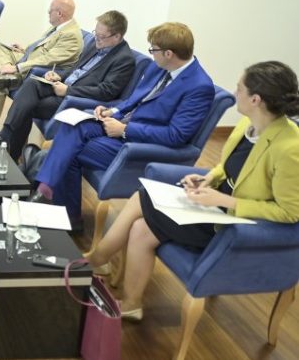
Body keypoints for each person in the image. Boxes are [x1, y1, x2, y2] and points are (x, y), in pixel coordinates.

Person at [86, 61, 299, 320]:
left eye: (239, 88)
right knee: (141, 228)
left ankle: (97, 259)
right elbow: (229, 166)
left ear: (256, 99)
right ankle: (130, 302)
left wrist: (226, 201)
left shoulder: (290, 147)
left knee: (142, 199)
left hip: (233, 223)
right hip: (216, 203)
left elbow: (290, 212)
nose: (235, 93)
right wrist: (208, 178)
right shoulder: (248, 123)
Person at [30, 22, 215, 230]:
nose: (151, 54)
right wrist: (112, 111)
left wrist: (125, 130)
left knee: (68, 150)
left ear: (169, 53)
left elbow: (176, 135)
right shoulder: (159, 67)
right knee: (72, 125)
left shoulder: (199, 87)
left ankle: (53, 201)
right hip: (121, 125)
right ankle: (53, 199)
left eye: (153, 50)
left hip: (140, 145)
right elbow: (134, 100)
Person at [0, 10, 135, 158]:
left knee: (27, 105)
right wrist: (58, 76)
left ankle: (7, 145)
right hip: (62, 85)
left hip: (75, 98)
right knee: (32, 83)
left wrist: (68, 90)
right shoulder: (96, 44)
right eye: (96, 33)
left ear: (117, 36)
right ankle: (7, 143)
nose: (96, 39)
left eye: (101, 36)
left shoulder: (124, 59)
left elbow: (106, 92)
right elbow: (76, 69)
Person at [0, 0, 83, 129]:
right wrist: (24, 50)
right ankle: (7, 78)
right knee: (0, 48)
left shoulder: (71, 35)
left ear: (59, 14)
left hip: (40, 70)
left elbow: (48, 59)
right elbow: (41, 46)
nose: (48, 13)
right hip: (29, 59)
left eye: (50, 10)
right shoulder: (60, 27)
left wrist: (17, 68)